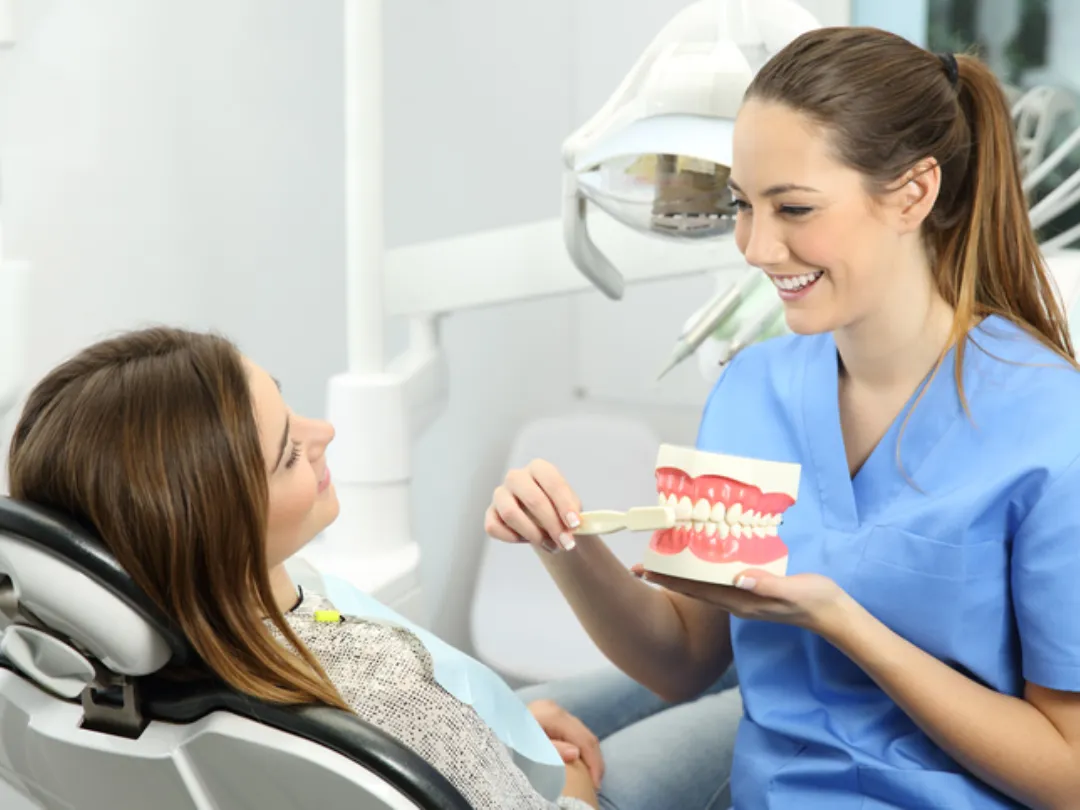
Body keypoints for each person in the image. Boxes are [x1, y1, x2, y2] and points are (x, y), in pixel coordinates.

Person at [486, 26, 1080, 810]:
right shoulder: (753, 389)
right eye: (742, 205)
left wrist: (843, 620)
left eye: (794, 208)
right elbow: (683, 660)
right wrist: (562, 542)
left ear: (914, 192)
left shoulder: (1050, 425)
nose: (759, 248)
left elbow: (1069, 776)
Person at [6, 327, 602, 810]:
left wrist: (479, 737)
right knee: (698, 704)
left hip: (464, 740)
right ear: (218, 532)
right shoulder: (384, 692)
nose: (326, 433)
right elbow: (426, 731)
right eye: (289, 452)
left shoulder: (94, 683)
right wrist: (578, 783)